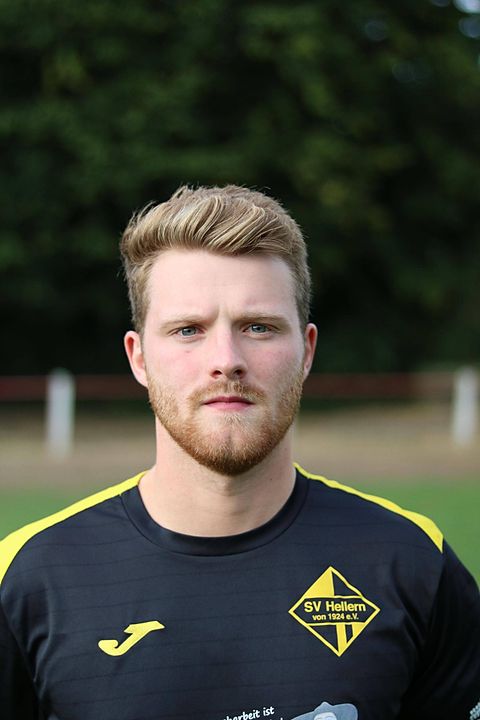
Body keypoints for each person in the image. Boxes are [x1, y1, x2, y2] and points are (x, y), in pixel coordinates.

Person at [0, 185, 479, 720]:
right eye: (188, 330)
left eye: (259, 327)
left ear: (307, 352)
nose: (226, 359)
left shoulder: (411, 562)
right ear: (139, 358)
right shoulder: (27, 578)